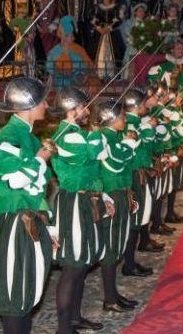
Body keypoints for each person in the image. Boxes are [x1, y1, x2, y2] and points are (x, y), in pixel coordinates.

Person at [0, 77, 55, 334]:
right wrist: (40, 160)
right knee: (16, 291)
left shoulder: (29, 137)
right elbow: (15, 180)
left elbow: (37, 190)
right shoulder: (8, 136)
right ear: (28, 105)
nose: (47, 105)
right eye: (42, 101)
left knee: (29, 288)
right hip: (15, 221)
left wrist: (49, 224)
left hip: (31, 218)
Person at [50, 87, 110, 334]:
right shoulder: (68, 135)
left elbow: (96, 160)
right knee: (73, 265)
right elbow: (94, 153)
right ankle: (64, 328)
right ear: (71, 110)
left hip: (84, 200)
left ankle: (74, 318)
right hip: (73, 202)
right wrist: (96, 132)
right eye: (84, 106)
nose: (87, 110)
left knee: (82, 263)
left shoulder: (76, 132)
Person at [91, 98, 141, 312]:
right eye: (121, 116)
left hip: (120, 192)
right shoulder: (106, 138)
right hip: (111, 195)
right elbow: (116, 161)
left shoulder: (114, 137)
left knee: (118, 243)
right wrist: (129, 144)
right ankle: (110, 298)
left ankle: (113, 294)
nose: (124, 119)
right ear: (111, 119)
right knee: (111, 247)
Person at [120, 89, 158, 277]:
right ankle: (128, 263)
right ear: (136, 106)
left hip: (140, 173)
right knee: (135, 220)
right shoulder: (130, 125)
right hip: (134, 175)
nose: (145, 106)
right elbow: (136, 154)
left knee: (140, 218)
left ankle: (130, 260)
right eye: (143, 103)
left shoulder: (136, 123)